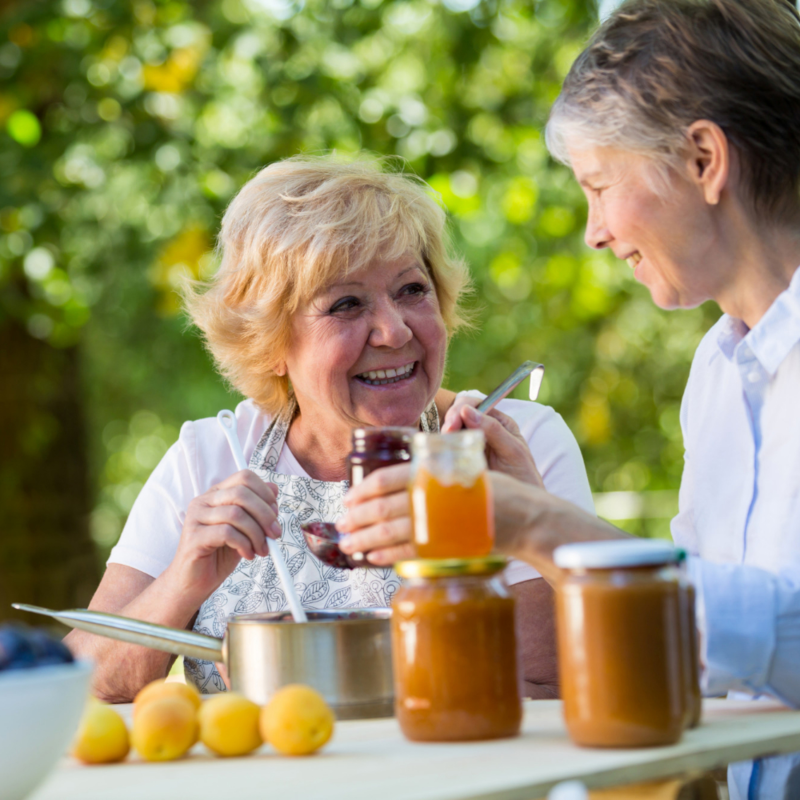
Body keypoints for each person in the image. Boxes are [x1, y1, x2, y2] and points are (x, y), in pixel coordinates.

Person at [342, 1, 800, 797]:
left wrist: (546, 528)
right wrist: (537, 523)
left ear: (702, 158)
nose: (591, 231)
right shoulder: (719, 375)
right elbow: (697, 639)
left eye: (599, 185)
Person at [66, 156, 594, 702]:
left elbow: (548, 688)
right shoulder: (211, 455)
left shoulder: (513, 443)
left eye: (412, 289)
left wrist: (517, 519)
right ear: (270, 344)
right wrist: (183, 582)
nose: (393, 330)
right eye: (346, 304)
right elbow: (81, 683)